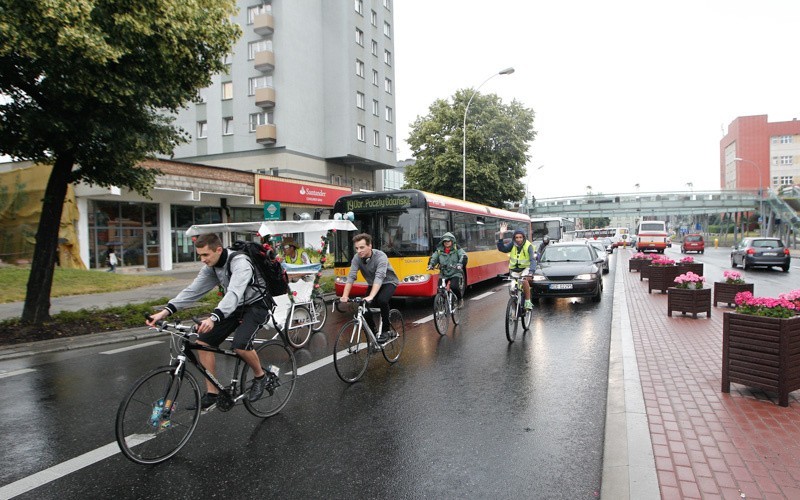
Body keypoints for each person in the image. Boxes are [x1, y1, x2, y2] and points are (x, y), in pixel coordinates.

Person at [145, 233, 270, 410]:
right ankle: (212, 393)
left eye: (205, 255)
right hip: (234, 307)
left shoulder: (240, 263)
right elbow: (193, 291)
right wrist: (164, 312)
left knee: (240, 345)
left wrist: (214, 317)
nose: (202, 259)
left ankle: (260, 376)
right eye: (200, 255)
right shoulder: (211, 266)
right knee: (203, 341)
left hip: (256, 305)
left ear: (218, 249)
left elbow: (234, 293)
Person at [340, 233, 399, 343]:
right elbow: (351, 276)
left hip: (389, 282)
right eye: (357, 248)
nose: (359, 251)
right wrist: (345, 295)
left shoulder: (381, 256)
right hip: (373, 284)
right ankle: (374, 333)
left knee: (382, 300)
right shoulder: (357, 258)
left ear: (370, 246)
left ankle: (386, 330)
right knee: (363, 307)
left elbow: (379, 276)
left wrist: (371, 296)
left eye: (362, 247)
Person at [497, 222, 536, 309]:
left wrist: (531, 272)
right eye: (516, 237)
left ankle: (527, 301)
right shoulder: (512, 244)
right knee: (512, 288)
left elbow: (532, 260)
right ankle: (514, 307)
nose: (518, 239)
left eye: (520, 237)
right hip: (514, 270)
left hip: (525, 268)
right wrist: (501, 234)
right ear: (514, 238)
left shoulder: (528, 246)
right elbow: (502, 249)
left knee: (524, 281)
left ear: (524, 237)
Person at [427, 232, 467, 308]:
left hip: (455, 272)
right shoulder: (439, 250)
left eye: (448, 241)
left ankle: (459, 299)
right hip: (444, 273)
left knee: (454, 287)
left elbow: (463, 256)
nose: (446, 243)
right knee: (440, 289)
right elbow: (434, 258)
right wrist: (431, 265)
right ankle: (444, 303)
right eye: (445, 241)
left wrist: (460, 264)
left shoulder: (457, 249)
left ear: (452, 241)